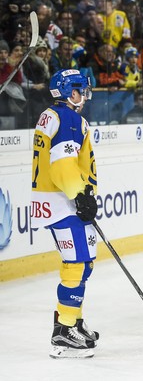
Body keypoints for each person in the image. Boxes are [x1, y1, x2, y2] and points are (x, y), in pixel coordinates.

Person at [31, 69, 99, 358]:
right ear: (71, 92)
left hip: (59, 201)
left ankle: (73, 321)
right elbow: (62, 165)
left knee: (83, 264)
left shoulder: (52, 115)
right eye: (81, 89)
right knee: (76, 266)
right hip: (64, 203)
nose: (84, 94)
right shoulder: (69, 118)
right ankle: (63, 333)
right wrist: (80, 195)